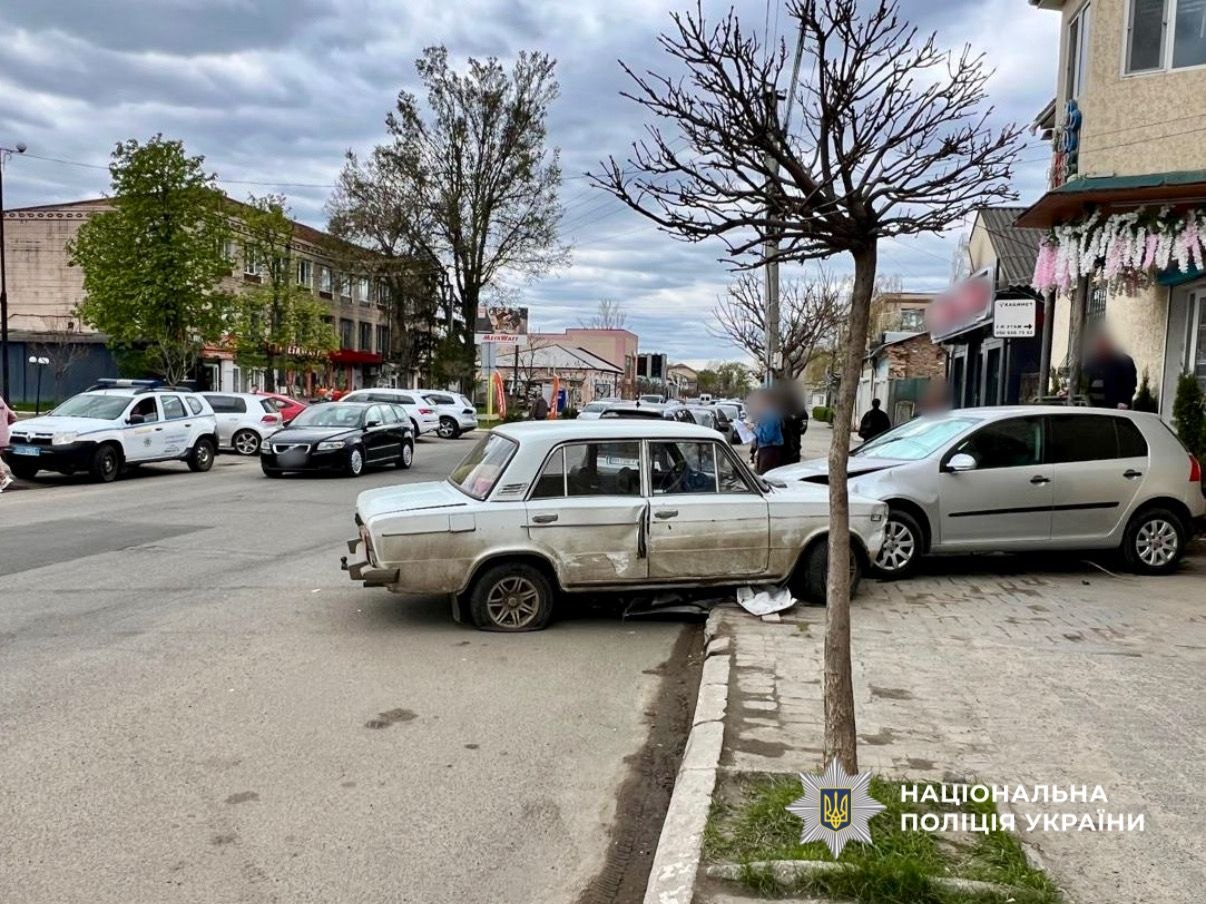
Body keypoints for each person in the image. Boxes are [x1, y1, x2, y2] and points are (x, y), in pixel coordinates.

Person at [1083, 331, 1137, 409]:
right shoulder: (1092, 362)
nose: (1101, 347)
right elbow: (1084, 381)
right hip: (1094, 409)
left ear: (1110, 345)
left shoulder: (1124, 361)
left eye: (1104, 344)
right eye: (1099, 345)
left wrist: (1124, 401)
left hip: (1116, 409)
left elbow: (1130, 384)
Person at [752, 391, 784, 474]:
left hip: (769, 451)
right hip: (767, 450)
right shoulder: (766, 413)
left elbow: (767, 437)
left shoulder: (769, 415)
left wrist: (754, 428)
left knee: (765, 477)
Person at [0, 393, 15, 493]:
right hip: (3, 437)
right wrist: (4, 425)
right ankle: (4, 478)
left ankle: (4, 478)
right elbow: (14, 417)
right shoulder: (2, 403)